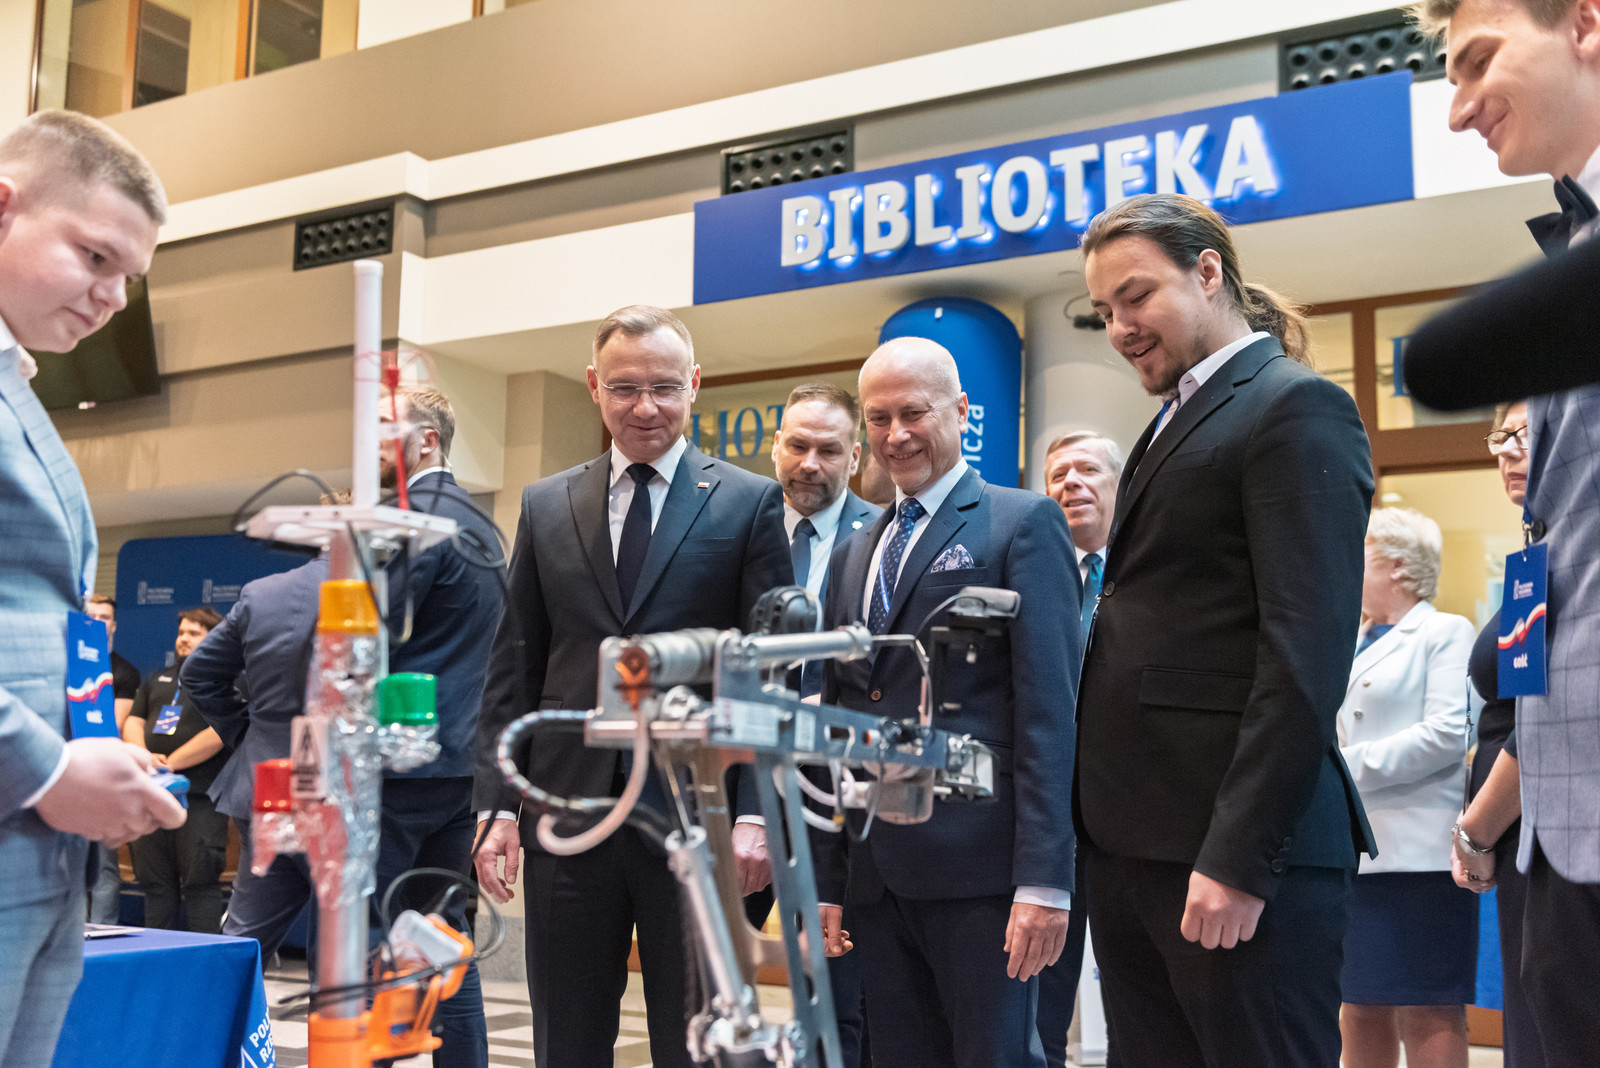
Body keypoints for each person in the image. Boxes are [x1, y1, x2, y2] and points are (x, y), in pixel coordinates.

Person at [1074, 192, 1376, 1068]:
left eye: (1136, 297)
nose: (1121, 328)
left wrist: (1240, 857)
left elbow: (1305, 653)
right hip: (1138, 849)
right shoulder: (1172, 419)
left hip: (1233, 857)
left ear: (1208, 272)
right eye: (1103, 312)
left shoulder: (1292, 405)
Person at [472, 305, 791, 1068]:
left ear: (694, 385)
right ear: (594, 386)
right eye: (624, 388)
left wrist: (756, 814)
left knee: (697, 1040)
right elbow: (515, 663)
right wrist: (496, 806)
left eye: (664, 387)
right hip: (568, 813)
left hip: (697, 817)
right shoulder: (546, 504)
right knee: (566, 1037)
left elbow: (767, 671)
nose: (645, 407)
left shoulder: (748, 502)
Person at [1408, 3, 1600, 1061]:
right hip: (1561, 835)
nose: (1457, 110)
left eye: (1479, 62)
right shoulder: (1574, 244)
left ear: (1585, 23)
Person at [813, 335, 1079, 1068]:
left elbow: (1050, 714)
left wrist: (1045, 880)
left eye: (914, 413)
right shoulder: (854, 552)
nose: (895, 435)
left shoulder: (1021, 522)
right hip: (876, 877)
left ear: (960, 410)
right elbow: (838, 718)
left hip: (983, 878)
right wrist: (829, 881)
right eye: (878, 418)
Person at [0, 108, 186, 1068]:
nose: (113, 297)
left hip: (38, 849)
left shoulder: (17, 387)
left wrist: (94, 754)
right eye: (96, 257)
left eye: (129, 278)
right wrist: (45, 768)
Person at [371, 384, 504, 1068]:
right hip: (464, 764)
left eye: (381, 429)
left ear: (424, 440)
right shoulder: (486, 526)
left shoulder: (412, 520)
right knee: (444, 933)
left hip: (401, 760)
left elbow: (368, 638)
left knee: (371, 933)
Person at [761, 381, 881, 1068]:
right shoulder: (738, 529)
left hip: (839, 796)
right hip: (741, 783)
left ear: (855, 457)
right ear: (776, 446)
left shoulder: (885, 537)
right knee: (703, 977)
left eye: (829, 450)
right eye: (798, 445)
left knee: (838, 995)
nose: (810, 463)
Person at [1336, 508, 1478, 1068]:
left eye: (1357, 551)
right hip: (1351, 852)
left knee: (1428, 1006)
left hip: (1419, 858)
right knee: (1357, 1005)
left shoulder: (1445, 631)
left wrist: (1342, 767)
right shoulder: (1348, 637)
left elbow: (1448, 733)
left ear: (1397, 565)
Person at [1450, 401, 1544, 1068]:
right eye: (1500, 436)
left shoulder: (1573, 556)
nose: (1506, 450)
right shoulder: (1534, 555)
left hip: (1549, 835)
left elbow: (1544, 717)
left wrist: (1476, 830)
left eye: (1524, 435)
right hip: (1521, 841)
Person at [183, 553, 326, 967]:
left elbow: (197, 673)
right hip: (341, 788)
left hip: (266, 779)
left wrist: (247, 736)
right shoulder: (392, 589)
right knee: (346, 949)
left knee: (245, 941)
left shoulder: (264, 593)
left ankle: (214, 1012)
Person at [1037, 429, 1124, 1068]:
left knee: (1140, 998)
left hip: (1132, 815)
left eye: (1088, 470)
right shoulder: (1028, 574)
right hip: (1049, 818)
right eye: (1058, 474)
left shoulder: (1151, 574)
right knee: (1040, 994)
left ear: (1122, 486)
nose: (1071, 482)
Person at [123, 607, 228, 932]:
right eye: (181, 632)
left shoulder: (226, 681)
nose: (183, 639)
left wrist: (171, 763)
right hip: (153, 797)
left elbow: (219, 733)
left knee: (200, 886)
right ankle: (156, 957)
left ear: (214, 639)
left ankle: (204, 960)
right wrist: (145, 758)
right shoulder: (157, 678)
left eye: (193, 633)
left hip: (199, 802)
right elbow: (133, 722)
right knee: (155, 887)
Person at [84, 593, 146, 925]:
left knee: (104, 866)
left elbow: (114, 726)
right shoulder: (66, 663)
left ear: (114, 625)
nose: (96, 621)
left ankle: (101, 935)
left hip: (102, 775)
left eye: (104, 617)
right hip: (60, 769)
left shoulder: (124, 672)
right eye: (91, 615)